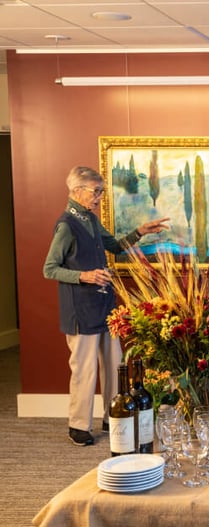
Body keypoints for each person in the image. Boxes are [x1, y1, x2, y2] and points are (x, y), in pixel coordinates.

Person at [43, 166, 170, 446]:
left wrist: (140, 231)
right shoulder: (66, 225)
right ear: (77, 192)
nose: (100, 196)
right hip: (80, 309)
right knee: (85, 369)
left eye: (101, 191)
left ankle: (113, 415)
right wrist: (84, 275)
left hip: (104, 305)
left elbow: (115, 246)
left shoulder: (90, 219)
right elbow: (49, 269)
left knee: (115, 365)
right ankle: (78, 426)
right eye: (95, 191)